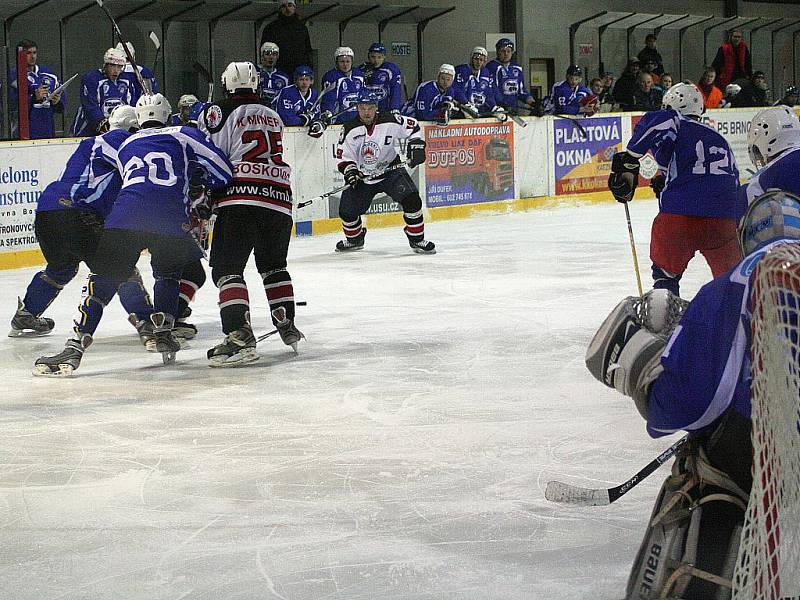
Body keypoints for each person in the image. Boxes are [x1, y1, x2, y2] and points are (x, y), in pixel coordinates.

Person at [585, 190, 800, 599]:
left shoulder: (739, 283)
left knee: (715, 469)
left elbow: (690, 403)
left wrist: (644, 374)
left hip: (774, 461)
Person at [33, 94, 233, 376]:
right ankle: (163, 330)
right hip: (168, 216)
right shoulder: (183, 133)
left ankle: (76, 343)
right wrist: (202, 187)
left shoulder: (127, 144)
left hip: (126, 214)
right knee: (167, 274)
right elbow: (223, 171)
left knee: (103, 279)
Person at [9, 106, 153, 339]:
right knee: (121, 267)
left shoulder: (95, 146)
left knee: (61, 268)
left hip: (47, 212)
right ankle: (148, 322)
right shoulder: (120, 139)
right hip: (76, 214)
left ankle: (27, 313)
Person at [197, 62, 303, 366]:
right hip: (279, 199)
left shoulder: (218, 110)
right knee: (273, 266)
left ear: (227, 83)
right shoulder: (272, 112)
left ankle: (239, 335)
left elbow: (212, 157)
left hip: (241, 198)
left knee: (226, 269)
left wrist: (206, 195)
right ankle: (286, 321)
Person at [608, 82, 741, 297]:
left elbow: (660, 121)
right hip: (724, 221)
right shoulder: (721, 139)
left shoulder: (677, 121)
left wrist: (630, 158)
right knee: (734, 283)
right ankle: (737, 322)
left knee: (665, 277)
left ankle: (664, 317)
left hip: (680, 216)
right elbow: (732, 181)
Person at [334, 89, 433, 254]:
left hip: (390, 171)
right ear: (357, 108)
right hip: (363, 176)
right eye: (362, 108)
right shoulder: (349, 128)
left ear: (376, 107)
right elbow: (344, 156)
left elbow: (413, 125)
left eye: (370, 107)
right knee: (346, 212)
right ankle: (355, 240)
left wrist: (416, 144)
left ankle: (417, 240)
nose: (366, 112)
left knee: (412, 200)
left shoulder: (391, 120)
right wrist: (350, 172)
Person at [9, 39, 64, 139]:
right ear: (20, 55)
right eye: (28, 53)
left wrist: (58, 101)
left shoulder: (48, 73)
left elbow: (61, 95)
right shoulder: (13, 75)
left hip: (47, 130)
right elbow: (11, 104)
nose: (32, 56)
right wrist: (33, 97)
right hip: (24, 133)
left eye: (34, 52)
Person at [72, 47, 133, 136]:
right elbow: (90, 106)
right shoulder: (92, 78)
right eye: (112, 65)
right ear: (105, 65)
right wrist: (102, 123)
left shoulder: (126, 81)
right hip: (88, 131)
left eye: (119, 66)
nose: (116, 70)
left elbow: (130, 104)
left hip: (116, 131)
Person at [259, 0, 312, 78]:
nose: (287, 9)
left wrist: (308, 71)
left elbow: (308, 51)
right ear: (279, 9)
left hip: (299, 74)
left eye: (290, 5)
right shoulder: (271, 28)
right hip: (278, 73)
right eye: (284, 6)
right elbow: (263, 52)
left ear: (294, 7)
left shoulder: (302, 28)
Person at [485, 38, 537, 113]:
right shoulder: (492, 67)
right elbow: (492, 89)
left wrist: (533, 103)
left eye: (508, 51)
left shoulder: (517, 68)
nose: (506, 54)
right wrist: (501, 103)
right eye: (503, 51)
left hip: (513, 110)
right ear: (497, 52)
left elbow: (521, 90)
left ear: (512, 52)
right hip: (496, 112)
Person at [319, 47, 364, 125]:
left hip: (358, 121)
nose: (345, 65)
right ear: (336, 62)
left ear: (352, 61)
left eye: (348, 61)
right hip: (339, 122)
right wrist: (328, 113)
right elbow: (328, 99)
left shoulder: (358, 74)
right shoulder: (331, 76)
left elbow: (363, 95)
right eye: (342, 61)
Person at [360, 42, 403, 115]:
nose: (376, 60)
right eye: (373, 57)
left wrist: (395, 108)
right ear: (368, 56)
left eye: (379, 57)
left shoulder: (391, 69)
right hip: (367, 111)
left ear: (384, 57)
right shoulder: (362, 69)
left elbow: (395, 90)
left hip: (385, 111)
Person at [453, 47, 495, 117]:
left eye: (481, 60)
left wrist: (494, 107)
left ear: (484, 61)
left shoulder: (486, 73)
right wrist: (466, 105)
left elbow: (489, 93)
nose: (478, 62)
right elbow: (457, 90)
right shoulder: (461, 70)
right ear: (471, 58)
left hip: (481, 112)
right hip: (463, 112)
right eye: (476, 59)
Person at [257, 42, 290, 106]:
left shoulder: (284, 77)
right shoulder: (254, 72)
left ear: (278, 57)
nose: (271, 57)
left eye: (274, 54)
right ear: (262, 56)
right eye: (267, 54)